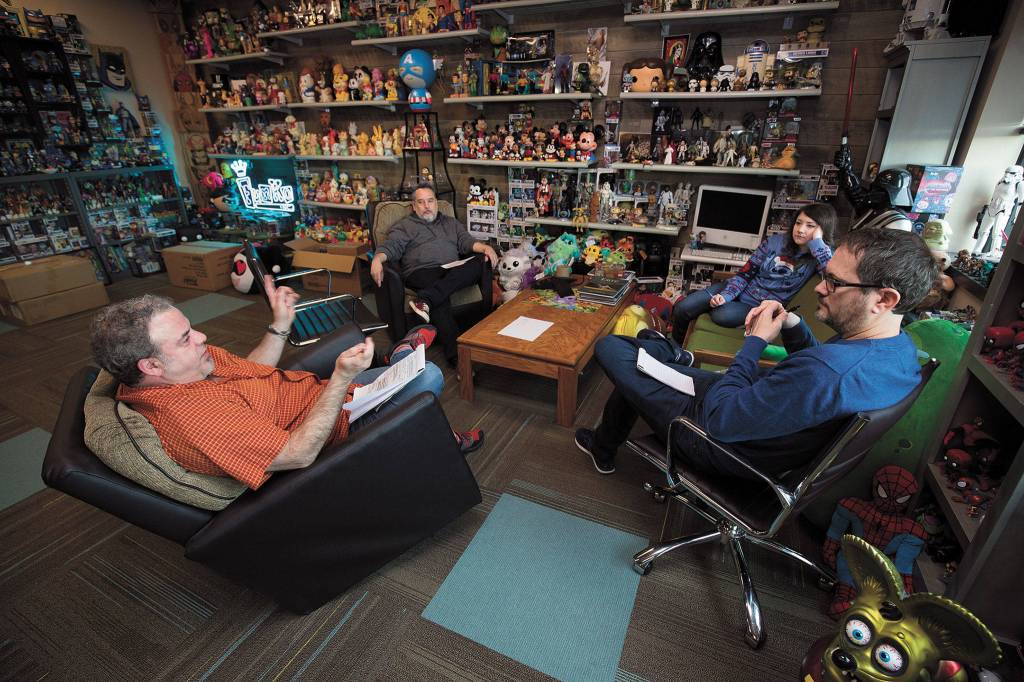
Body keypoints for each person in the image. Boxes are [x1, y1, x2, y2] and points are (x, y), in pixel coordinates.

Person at [576, 228, 938, 476]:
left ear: (884, 299)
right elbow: (818, 372)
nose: (820, 289)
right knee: (646, 360)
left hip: (716, 438)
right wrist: (791, 325)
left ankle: (660, 357)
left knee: (614, 347)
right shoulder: (897, 351)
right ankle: (659, 360)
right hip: (755, 410)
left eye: (835, 283)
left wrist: (755, 342)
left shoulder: (829, 373)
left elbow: (719, 420)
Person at [89, 275, 483, 491]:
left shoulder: (189, 365)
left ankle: (416, 395)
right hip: (331, 432)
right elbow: (298, 454)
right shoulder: (194, 418)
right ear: (151, 365)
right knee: (429, 375)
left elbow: (250, 370)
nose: (202, 338)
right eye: (185, 338)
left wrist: (280, 324)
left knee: (413, 374)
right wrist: (340, 378)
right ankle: (435, 429)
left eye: (191, 329)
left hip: (321, 397)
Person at [370, 183, 499, 365]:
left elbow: (466, 241)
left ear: (436, 203)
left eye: (430, 201)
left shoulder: (451, 223)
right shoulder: (404, 226)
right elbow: (391, 247)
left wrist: (485, 248)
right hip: (421, 272)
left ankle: (427, 299)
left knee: (479, 262)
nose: (426, 206)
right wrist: (377, 259)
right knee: (440, 297)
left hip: (451, 268)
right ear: (414, 206)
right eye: (421, 202)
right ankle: (457, 358)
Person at [671, 203, 836, 344]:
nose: (800, 230)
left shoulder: (819, 256)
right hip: (736, 288)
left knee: (721, 314)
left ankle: (715, 307)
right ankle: (676, 348)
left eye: (810, 226)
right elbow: (745, 274)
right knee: (683, 308)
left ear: (822, 230)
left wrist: (817, 243)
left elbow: (832, 276)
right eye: (798, 223)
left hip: (758, 307)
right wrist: (726, 295)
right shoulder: (774, 242)